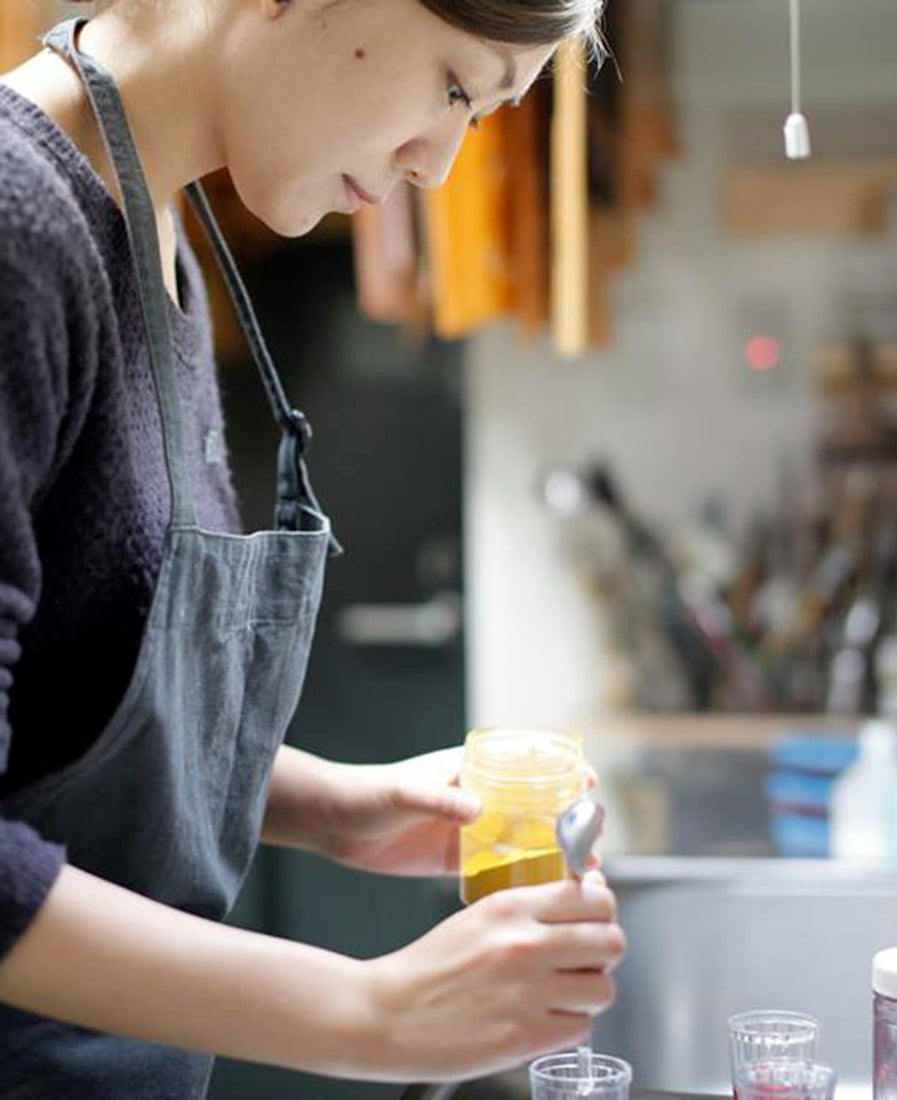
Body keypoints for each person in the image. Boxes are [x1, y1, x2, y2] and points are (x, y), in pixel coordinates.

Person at [0, 0, 624, 1095]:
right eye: (452, 87)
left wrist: (334, 803)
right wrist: (369, 1012)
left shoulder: (159, 232)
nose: (439, 166)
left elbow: (65, 708)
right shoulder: (18, 228)